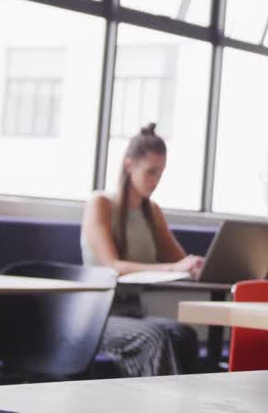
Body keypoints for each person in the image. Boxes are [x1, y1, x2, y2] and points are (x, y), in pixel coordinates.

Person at [81, 123, 203, 377]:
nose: (156, 181)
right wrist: (173, 267)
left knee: (185, 335)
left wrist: (195, 266)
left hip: (133, 311)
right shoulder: (100, 204)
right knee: (153, 338)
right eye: (151, 172)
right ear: (129, 166)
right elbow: (111, 265)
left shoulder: (152, 212)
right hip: (97, 315)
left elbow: (178, 260)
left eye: (160, 173)